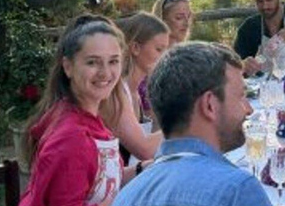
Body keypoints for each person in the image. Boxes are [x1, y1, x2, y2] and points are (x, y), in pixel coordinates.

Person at [112, 42, 271, 206]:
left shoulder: (126, 196)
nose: (249, 109)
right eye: (240, 96)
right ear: (210, 105)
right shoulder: (237, 190)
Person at [19, 15, 139, 206]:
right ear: (68, 67)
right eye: (92, 62)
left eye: (113, 61)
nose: (105, 73)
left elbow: (100, 180)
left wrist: (142, 169)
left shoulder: (81, 115)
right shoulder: (72, 139)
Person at [113, 12, 170, 163]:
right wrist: (187, 122)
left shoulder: (135, 92)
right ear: (135, 48)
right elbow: (144, 149)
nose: (165, 57)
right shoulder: (117, 92)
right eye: (159, 49)